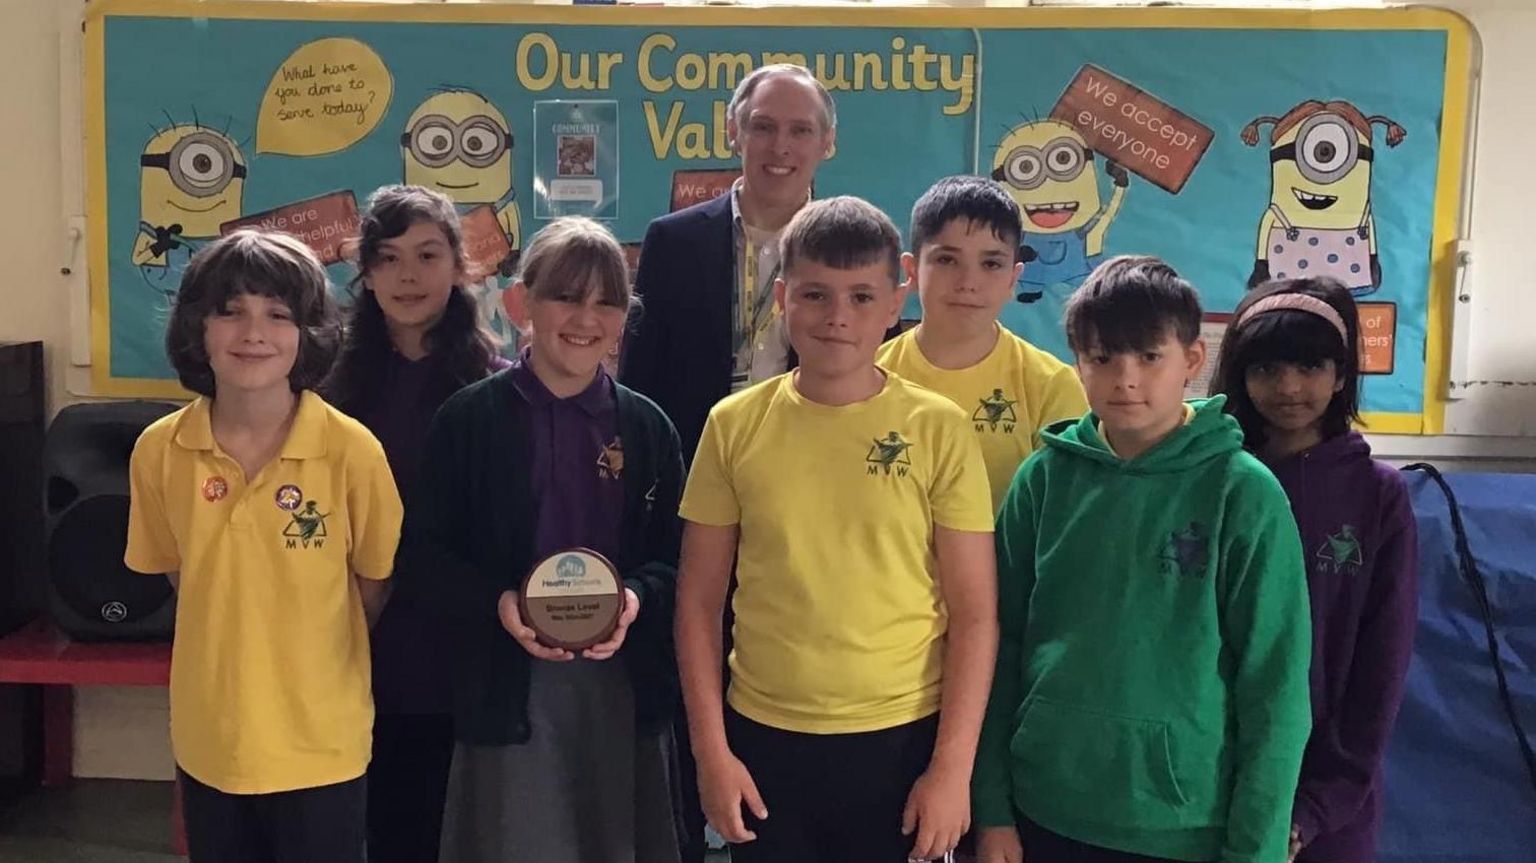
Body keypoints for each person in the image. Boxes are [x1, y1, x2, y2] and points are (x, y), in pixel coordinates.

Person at [676, 196, 998, 862]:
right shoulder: (733, 425)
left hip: (902, 737)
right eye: (816, 294)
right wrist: (712, 752)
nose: (837, 318)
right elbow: (697, 604)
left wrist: (952, 769)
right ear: (785, 295)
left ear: (894, 299)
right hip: (764, 737)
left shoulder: (938, 428)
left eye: (860, 296)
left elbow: (974, 615)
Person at [974, 256, 1312, 863]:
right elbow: (999, 648)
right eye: (1102, 358)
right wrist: (991, 808)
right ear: (1077, 362)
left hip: (1181, 827)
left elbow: (1276, 688)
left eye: (1148, 357)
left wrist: (1255, 850)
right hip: (1042, 809)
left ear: (1191, 359)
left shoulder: (1244, 492)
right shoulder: (1043, 481)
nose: (1125, 379)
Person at [413, 216, 685, 863]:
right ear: (520, 302)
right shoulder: (468, 421)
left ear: (625, 316)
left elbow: (678, 561)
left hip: (619, 689)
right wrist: (499, 602)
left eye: (606, 300)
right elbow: (424, 553)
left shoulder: (648, 428)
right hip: (508, 688)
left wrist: (636, 599)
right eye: (566, 294)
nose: (586, 316)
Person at [125, 229, 403, 862]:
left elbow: (371, 586)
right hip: (210, 741)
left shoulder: (352, 451)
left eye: (279, 315)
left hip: (321, 743)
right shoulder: (158, 452)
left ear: (309, 334)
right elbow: (181, 575)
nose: (255, 333)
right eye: (232, 312)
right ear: (197, 328)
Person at [322, 184, 509, 863]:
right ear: (365, 271)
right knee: (375, 825)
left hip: (456, 643)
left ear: (459, 266)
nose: (409, 275)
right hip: (356, 639)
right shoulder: (329, 387)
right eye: (390, 257)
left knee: (448, 825)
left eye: (428, 255)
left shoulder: (496, 382)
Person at [1212, 277, 1418, 863]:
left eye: (1310, 366)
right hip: (1203, 783)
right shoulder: (1213, 476)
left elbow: (1382, 663)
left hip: (1325, 805)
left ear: (1342, 372)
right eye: (1267, 370)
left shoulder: (1379, 496)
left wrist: (1318, 805)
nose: (1289, 388)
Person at [877, 175, 1087, 512]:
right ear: (912, 270)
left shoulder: (1050, 386)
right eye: (947, 260)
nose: (968, 282)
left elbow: (1063, 517)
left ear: (1013, 279)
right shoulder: (870, 376)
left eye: (991, 264)